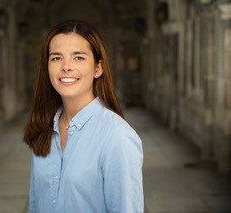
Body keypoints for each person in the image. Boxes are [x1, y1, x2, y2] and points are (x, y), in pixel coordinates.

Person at [23, 20, 143, 213]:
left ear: (98, 68)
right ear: (47, 67)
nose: (66, 66)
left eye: (78, 58)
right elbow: (36, 204)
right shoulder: (44, 129)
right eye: (56, 58)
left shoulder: (116, 137)